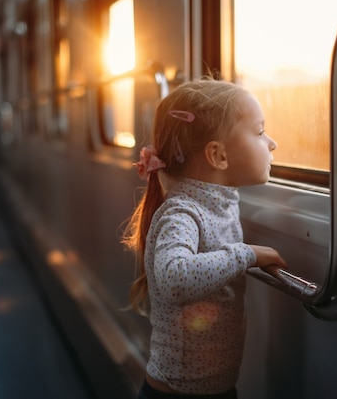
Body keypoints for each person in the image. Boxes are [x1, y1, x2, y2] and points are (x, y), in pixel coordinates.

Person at [122, 77, 288, 399]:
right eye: (259, 132)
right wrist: (246, 255)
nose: (272, 143)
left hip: (215, 388)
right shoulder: (183, 213)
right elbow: (175, 278)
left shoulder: (217, 204)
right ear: (218, 156)